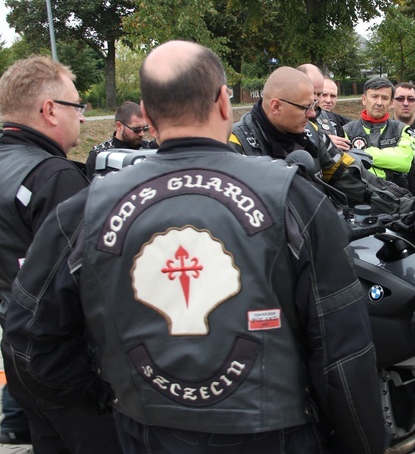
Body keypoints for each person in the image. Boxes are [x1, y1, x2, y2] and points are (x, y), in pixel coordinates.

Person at [2, 41, 389, 454]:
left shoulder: (86, 209)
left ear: (148, 116)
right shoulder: (292, 199)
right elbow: (343, 354)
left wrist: (109, 399)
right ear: (225, 102)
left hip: (146, 434)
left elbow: (27, 338)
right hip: (277, 437)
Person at [0, 55, 121, 453]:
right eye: (77, 107)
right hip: (64, 360)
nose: (83, 118)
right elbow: (93, 280)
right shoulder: (53, 176)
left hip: (18, 352)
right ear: (50, 110)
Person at [230, 67, 415, 214]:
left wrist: (410, 206)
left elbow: (350, 175)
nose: (312, 114)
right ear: (276, 106)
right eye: (305, 107)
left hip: (320, 234)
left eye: (313, 105)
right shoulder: (235, 145)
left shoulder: (312, 131)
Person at [344, 77, 415, 190]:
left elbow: (405, 162)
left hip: (397, 197)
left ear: (391, 103)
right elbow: (347, 164)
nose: (379, 103)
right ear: (364, 99)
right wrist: (388, 163)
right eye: (374, 96)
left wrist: (363, 154)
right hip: (359, 198)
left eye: (385, 98)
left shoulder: (402, 129)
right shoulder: (347, 130)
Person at [85, 100, 151, 177]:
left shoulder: (150, 149)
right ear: (119, 126)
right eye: (137, 129)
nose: (142, 133)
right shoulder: (98, 155)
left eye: (145, 129)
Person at [298, 64, 350, 151]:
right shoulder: (288, 118)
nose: (328, 100)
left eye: (318, 94)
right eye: (324, 95)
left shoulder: (336, 121)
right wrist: (323, 142)